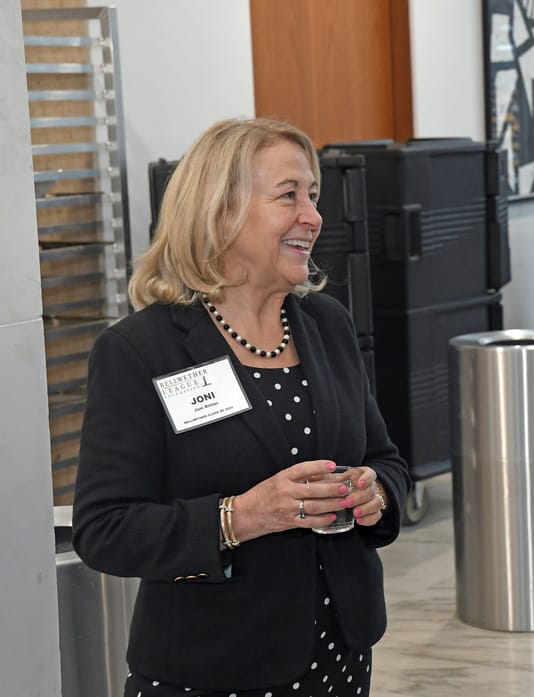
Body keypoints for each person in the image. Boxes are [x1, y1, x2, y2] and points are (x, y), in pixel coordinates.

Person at [72, 118, 410, 697]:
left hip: (342, 657)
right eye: (289, 195)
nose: (313, 215)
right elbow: (104, 529)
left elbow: (385, 458)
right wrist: (244, 515)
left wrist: (374, 492)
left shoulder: (327, 324)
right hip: (211, 669)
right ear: (220, 211)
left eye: (314, 195)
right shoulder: (138, 352)